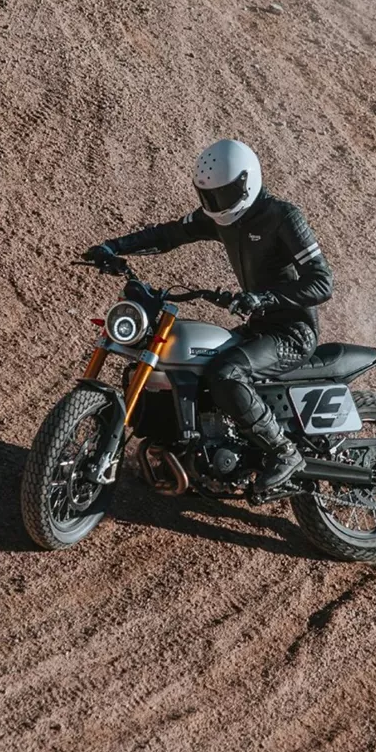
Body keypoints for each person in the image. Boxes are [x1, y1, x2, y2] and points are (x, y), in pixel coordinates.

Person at [81, 139, 332, 491]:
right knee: (195, 363)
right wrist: (114, 247)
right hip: (258, 326)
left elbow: (322, 282)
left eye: (224, 194)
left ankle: (284, 451)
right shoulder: (222, 218)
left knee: (226, 373)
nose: (217, 204)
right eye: (209, 196)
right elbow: (169, 233)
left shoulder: (282, 217)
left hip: (292, 333)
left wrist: (264, 298)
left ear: (246, 182)